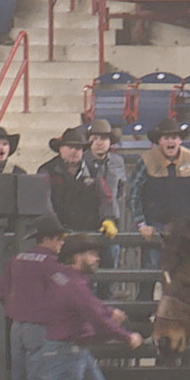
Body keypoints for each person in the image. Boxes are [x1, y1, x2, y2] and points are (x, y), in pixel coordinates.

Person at [33, 232, 144, 380]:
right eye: (91, 254)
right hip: (69, 349)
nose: (96, 258)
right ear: (77, 256)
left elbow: (88, 307)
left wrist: (106, 313)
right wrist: (127, 337)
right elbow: (93, 314)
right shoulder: (75, 285)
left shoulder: (63, 278)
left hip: (70, 347)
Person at [0, 215, 70, 380]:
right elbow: (65, 295)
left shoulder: (17, 260)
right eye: (58, 239)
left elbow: (1, 293)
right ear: (48, 239)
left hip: (17, 327)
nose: (61, 243)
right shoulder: (51, 265)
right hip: (39, 328)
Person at [128, 118, 190, 302]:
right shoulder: (146, 160)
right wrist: (141, 223)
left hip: (183, 227)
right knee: (151, 270)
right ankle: (142, 313)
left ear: (180, 140)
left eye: (175, 137)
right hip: (154, 226)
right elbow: (134, 195)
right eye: (166, 138)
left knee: (183, 273)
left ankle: (180, 315)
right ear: (159, 141)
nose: (171, 142)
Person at [39, 126, 119, 237]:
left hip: (89, 232)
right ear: (60, 149)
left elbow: (106, 196)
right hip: (56, 235)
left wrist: (108, 219)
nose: (74, 151)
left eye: (78, 147)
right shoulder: (47, 171)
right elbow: (44, 202)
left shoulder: (93, 171)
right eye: (70, 146)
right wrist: (55, 227)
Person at [83, 119, 126, 297]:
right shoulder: (82, 160)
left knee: (110, 262)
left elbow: (121, 188)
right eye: (95, 138)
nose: (100, 143)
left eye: (104, 139)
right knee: (86, 267)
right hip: (86, 219)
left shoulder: (117, 162)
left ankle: (106, 301)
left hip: (110, 221)